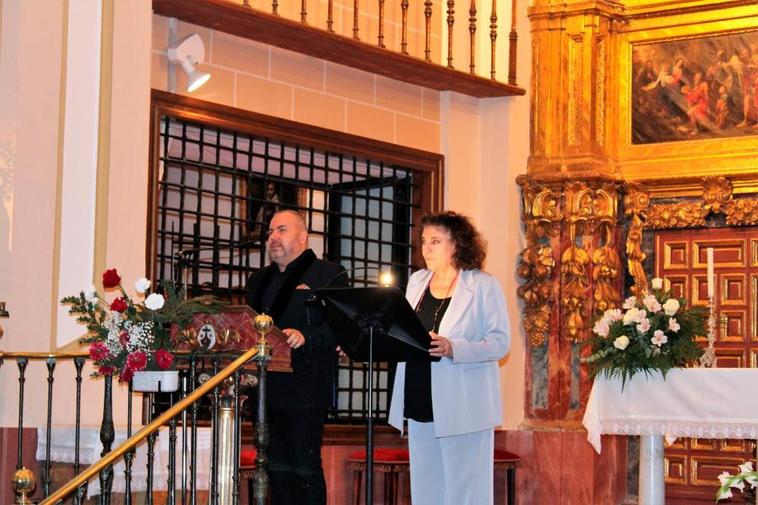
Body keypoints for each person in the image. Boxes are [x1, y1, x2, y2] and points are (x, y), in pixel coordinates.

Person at [388, 211, 510, 505]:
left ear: (456, 244)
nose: (426, 248)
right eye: (423, 241)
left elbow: (500, 343)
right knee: (427, 492)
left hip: (464, 406)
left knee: (465, 494)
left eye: (435, 241)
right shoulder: (417, 282)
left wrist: (454, 347)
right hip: (419, 398)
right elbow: (402, 329)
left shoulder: (482, 285)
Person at [247, 209, 346, 505]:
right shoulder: (258, 279)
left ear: (303, 236)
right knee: (272, 470)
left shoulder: (329, 273)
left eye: (281, 230)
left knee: (304, 471)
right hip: (265, 390)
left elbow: (342, 328)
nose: (272, 238)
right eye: (270, 232)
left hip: (305, 388)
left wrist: (307, 335)